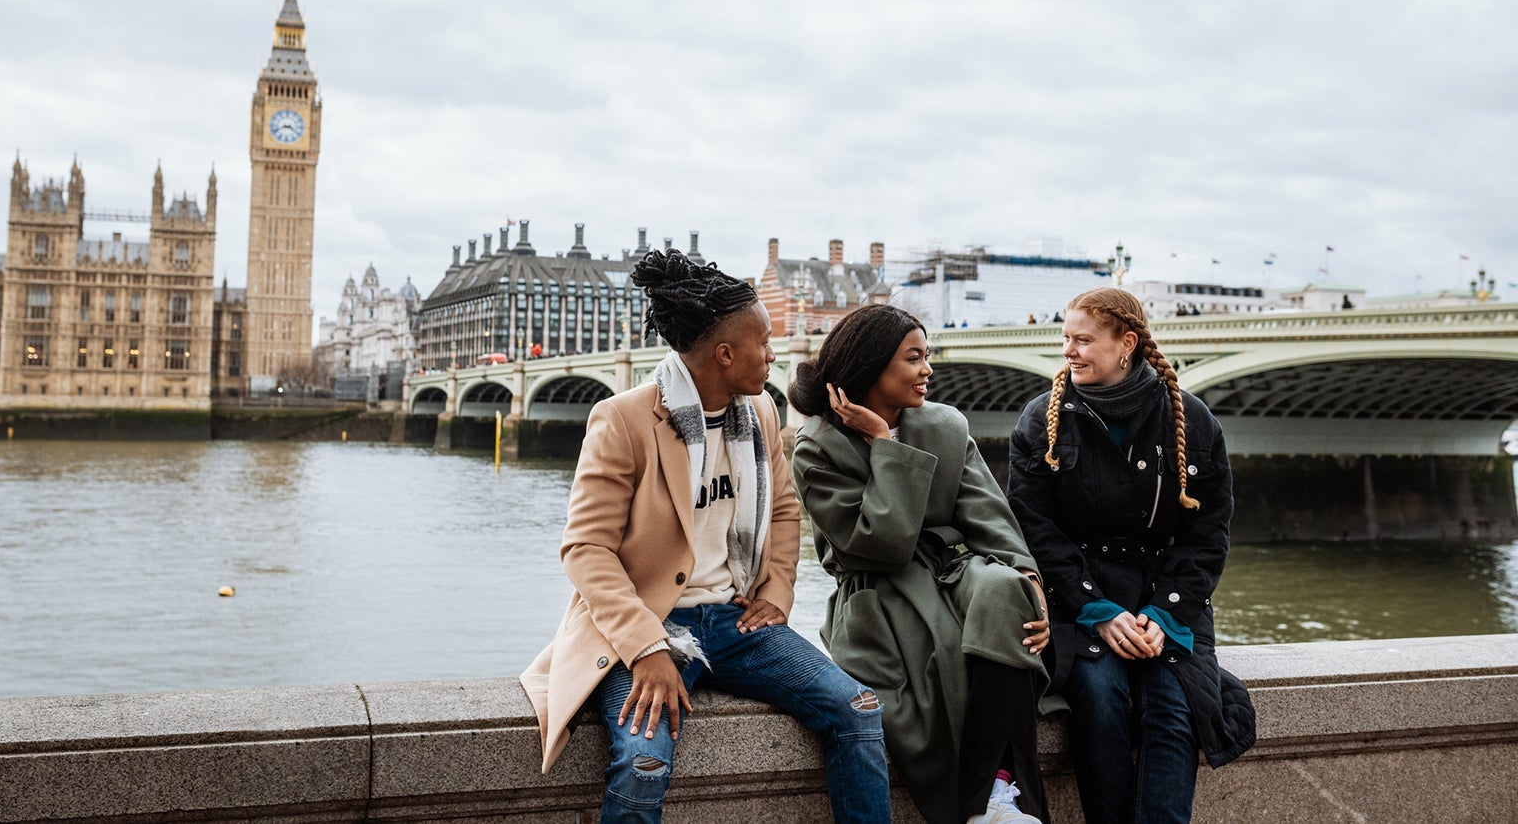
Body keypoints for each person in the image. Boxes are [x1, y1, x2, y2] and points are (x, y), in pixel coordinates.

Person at [521, 249, 891, 824]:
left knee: (860, 710)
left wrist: (776, 593)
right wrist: (646, 648)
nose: (775, 354)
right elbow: (585, 548)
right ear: (725, 354)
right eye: (764, 342)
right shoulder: (624, 419)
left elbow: (787, 509)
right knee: (643, 762)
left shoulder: (762, 412)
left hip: (736, 620)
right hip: (650, 623)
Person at [790, 304, 1049, 824]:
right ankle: (992, 799)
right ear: (871, 365)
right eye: (914, 358)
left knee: (1004, 594)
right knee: (950, 657)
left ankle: (994, 797)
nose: (928, 368)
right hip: (880, 592)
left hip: (955, 569)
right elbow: (880, 545)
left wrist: (1027, 576)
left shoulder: (945, 425)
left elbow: (987, 514)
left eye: (927, 356)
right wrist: (886, 446)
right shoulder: (816, 449)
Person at [1006, 288, 1255, 824]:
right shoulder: (1040, 420)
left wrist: (1165, 613)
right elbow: (1033, 529)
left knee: (1174, 704)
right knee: (1099, 695)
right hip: (1079, 601)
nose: (1068, 351)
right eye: (1065, 338)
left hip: (1167, 600)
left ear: (1127, 344)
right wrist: (1095, 608)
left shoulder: (1193, 421)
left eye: (1083, 340)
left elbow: (1208, 534)